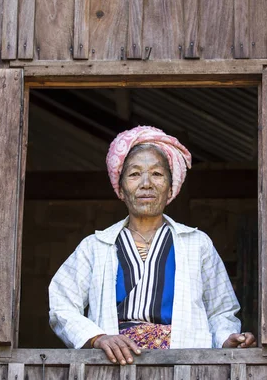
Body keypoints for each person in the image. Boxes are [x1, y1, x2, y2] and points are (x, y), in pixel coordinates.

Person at [49, 126, 255, 365]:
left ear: (171, 188)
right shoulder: (95, 246)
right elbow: (61, 304)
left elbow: (221, 311)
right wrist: (97, 338)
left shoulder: (197, 244)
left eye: (157, 174)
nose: (146, 183)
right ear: (121, 188)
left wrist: (226, 339)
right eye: (134, 174)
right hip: (114, 366)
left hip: (184, 366)